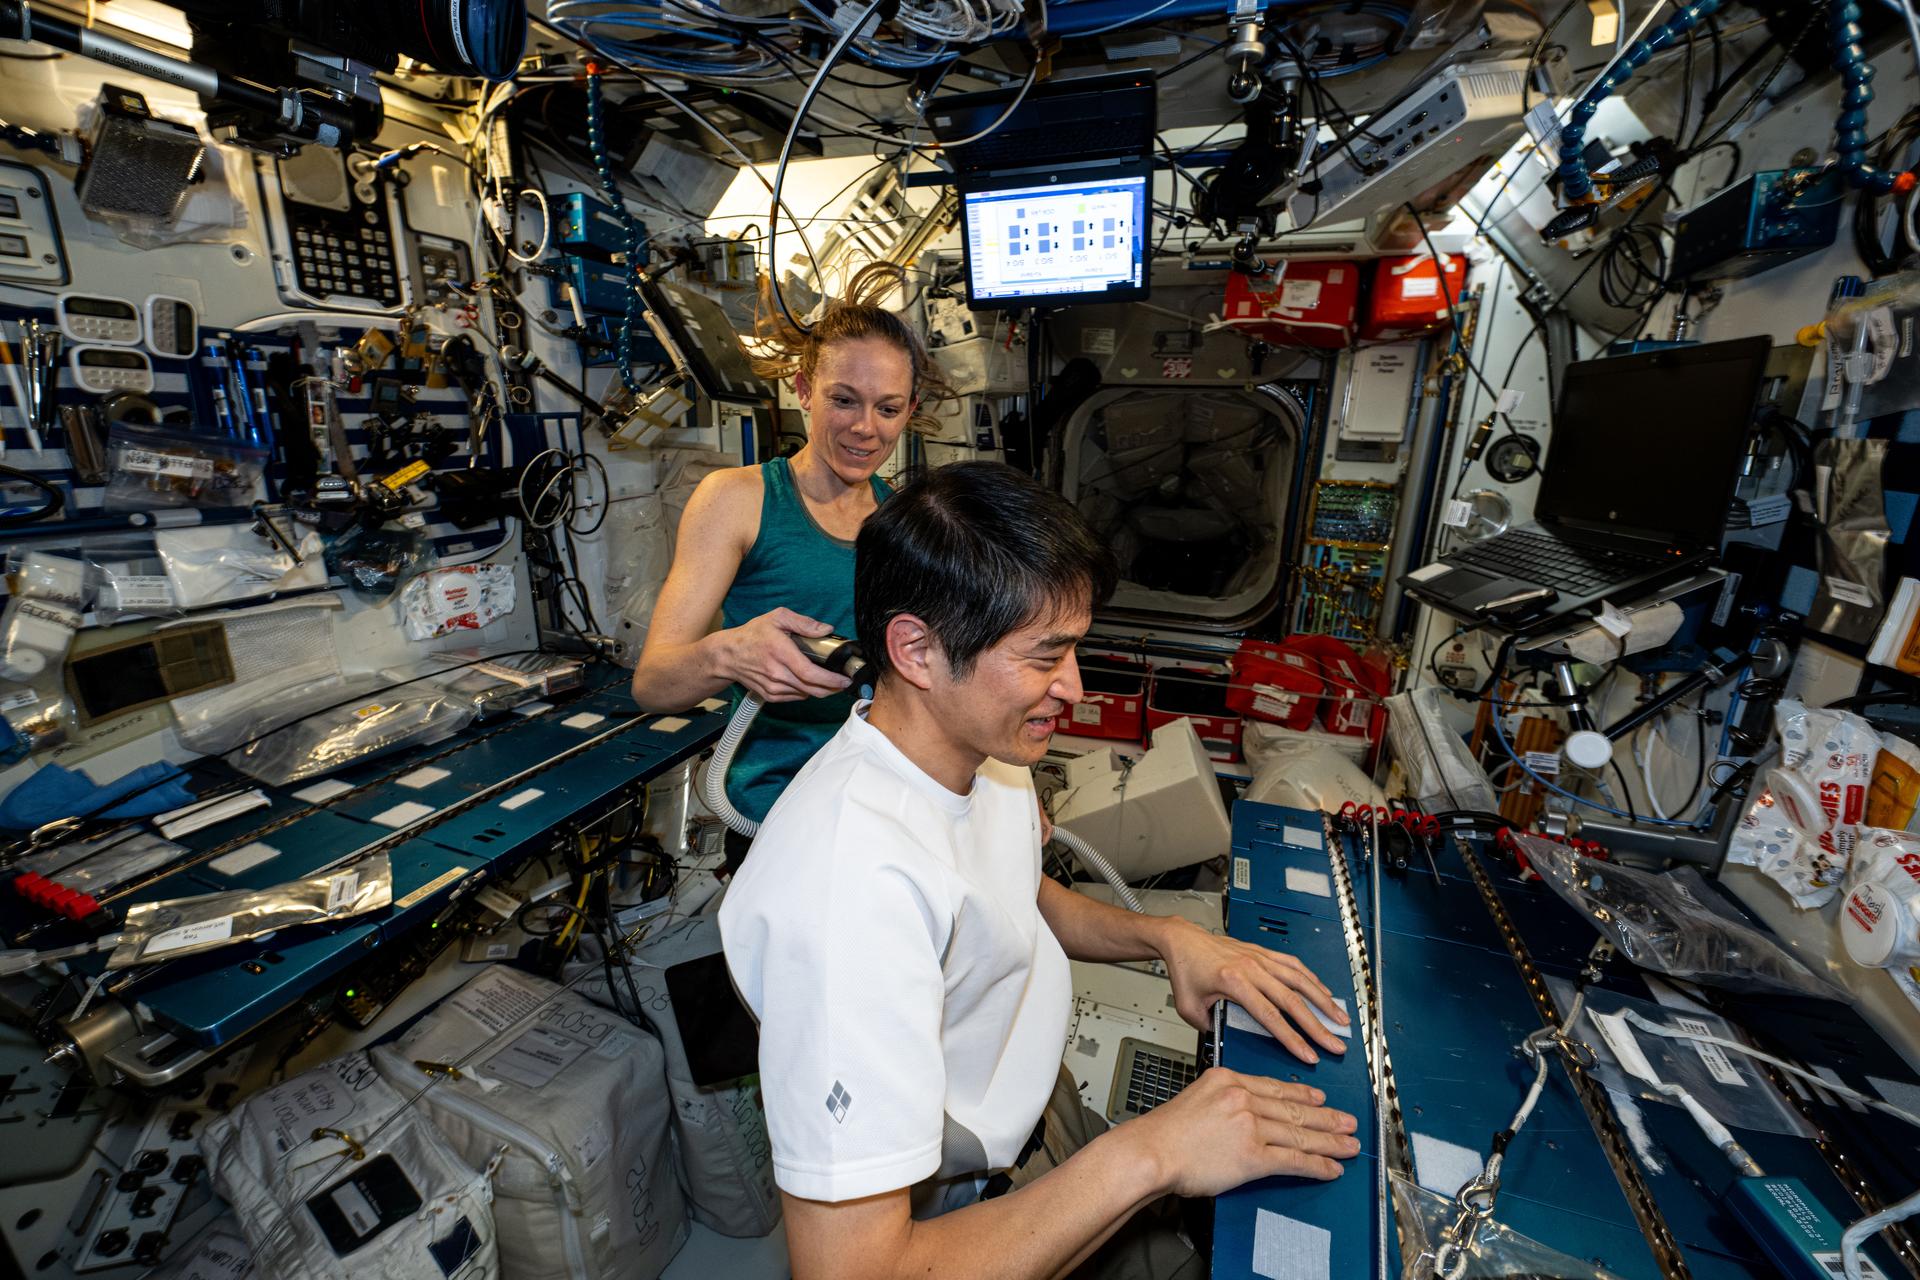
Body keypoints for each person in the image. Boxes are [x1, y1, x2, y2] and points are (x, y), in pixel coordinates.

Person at [719, 461, 1359, 1280]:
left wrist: (1167, 939)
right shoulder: (849, 891)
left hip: (1034, 1105)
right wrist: (1152, 1154)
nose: (1076, 688)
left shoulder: (986, 750)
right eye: (1045, 656)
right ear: (916, 648)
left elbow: (1015, 894)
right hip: (954, 1209)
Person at [629, 263, 953, 848]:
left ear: (909, 410)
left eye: (887, 408)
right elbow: (654, 685)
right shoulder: (737, 500)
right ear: (803, 391)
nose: (865, 429)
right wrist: (729, 653)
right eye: (843, 400)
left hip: (882, 803)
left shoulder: (902, 519)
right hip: (776, 814)